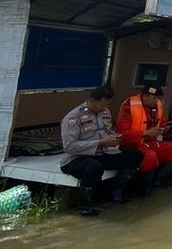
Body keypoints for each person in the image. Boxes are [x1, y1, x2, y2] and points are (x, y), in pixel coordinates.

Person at [60, 86, 142, 217]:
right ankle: (85, 205)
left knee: (135, 155)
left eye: (108, 105)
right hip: (78, 158)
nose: (104, 108)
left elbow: (108, 131)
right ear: (92, 100)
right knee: (93, 167)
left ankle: (116, 193)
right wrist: (100, 143)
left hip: (103, 153)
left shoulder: (105, 113)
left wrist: (115, 137)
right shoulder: (74, 117)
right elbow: (69, 146)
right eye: (102, 105)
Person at [116, 84, 172, 196]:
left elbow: (161, 122)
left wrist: (164, 128)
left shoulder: (158, 105)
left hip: (151, 142)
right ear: (145, 96)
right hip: (133, 144)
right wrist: (145, 133)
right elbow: (122, 133)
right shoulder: (129, 105)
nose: (157, 100)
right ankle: (145, 190)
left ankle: (158, 181)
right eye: (154, 98)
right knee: (150, 156)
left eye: (158, 98)